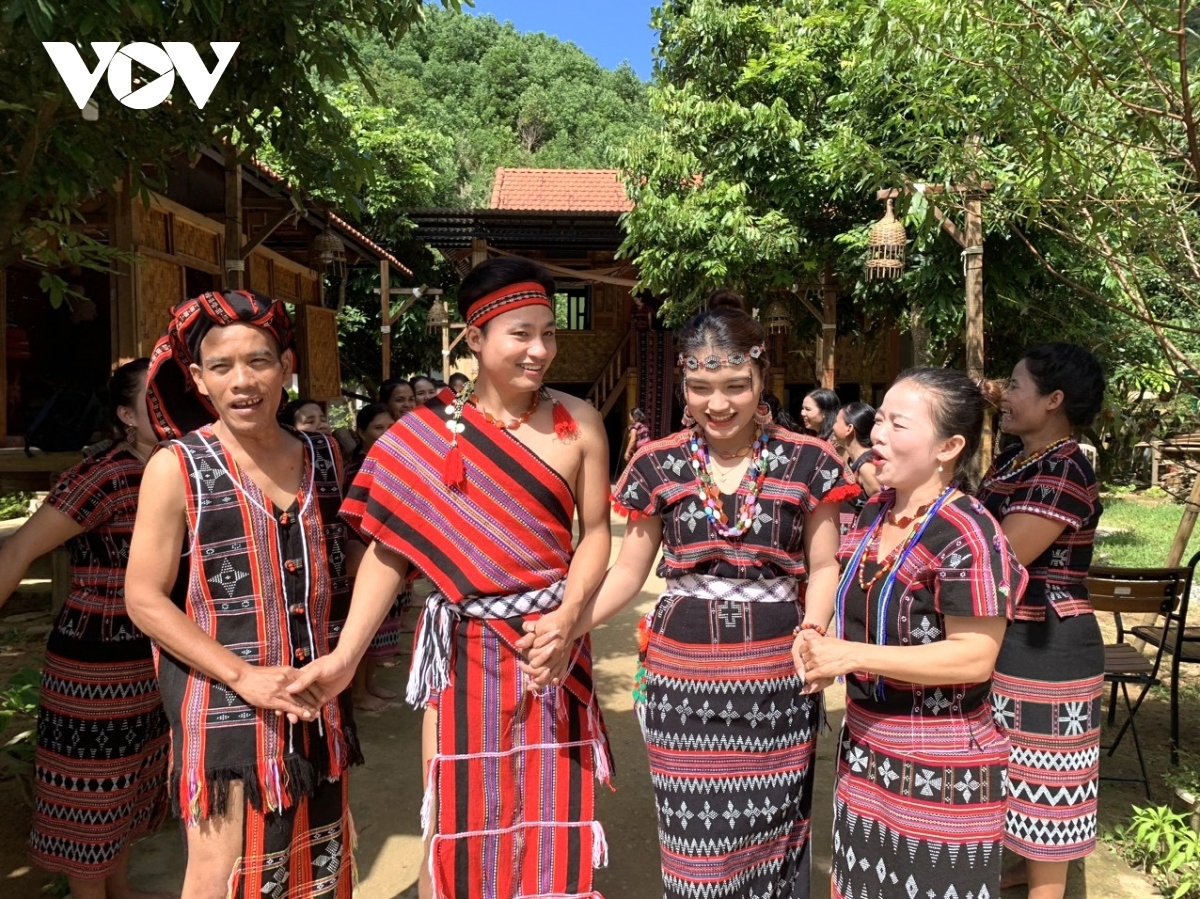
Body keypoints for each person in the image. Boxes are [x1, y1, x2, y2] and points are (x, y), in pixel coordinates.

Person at [288, 257, 613, 899]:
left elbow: (596, 533)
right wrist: (347, 657)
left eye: (548, 332)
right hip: (463, 648)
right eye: (521, 334)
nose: (540, 350)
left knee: (549, 804)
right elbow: (388, 552)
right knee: (463, 805)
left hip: (551, 643)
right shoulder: (424, 434)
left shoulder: (579, 420)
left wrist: (570, 619)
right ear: (475, 338)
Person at [527, 306, 854, 898]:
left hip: (778, 676)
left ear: (762, 379)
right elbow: (630, 570)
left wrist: (814, 628)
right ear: (682, 384)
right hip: (683, 684)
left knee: (774, 835)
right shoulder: (657, 463)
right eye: (701, 387)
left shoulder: (812, 461)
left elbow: (826, 564)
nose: (718, 403)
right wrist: (569, 624)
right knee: (693, 847)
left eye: (735, 386)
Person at [126, 290, 359, 899]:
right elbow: (144, 599)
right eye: (222, 367)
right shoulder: (177, 467)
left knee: (319, 855)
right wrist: (243, 676)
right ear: (198, 380)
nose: (243, 381)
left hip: (315, 693)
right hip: (220, 701)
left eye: (258, 361)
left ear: (286, 367)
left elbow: (359, 562)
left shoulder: (326, 457)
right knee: (222, 870)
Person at [795, 368, 1025, 899]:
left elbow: (974, 658)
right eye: (879, 419)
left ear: (949, 447)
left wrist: (849, 655)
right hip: (868, 750)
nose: (877, 433)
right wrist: (815, 635)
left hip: (941, 765)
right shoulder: (876, 511)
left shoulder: (970, 531)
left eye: (898, 424)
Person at [0, 358, 170, 899]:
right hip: (94, 668)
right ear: (125, 415)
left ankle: (117, 890)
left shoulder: (178, 470)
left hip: (152, 658)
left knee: (128, 786)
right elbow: (21, 548)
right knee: (91, 796)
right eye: (154, 397)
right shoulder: (104, 474)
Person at [977, 344, 1106, 899]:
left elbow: (1002, 555)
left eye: (1015, 384)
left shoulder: (1065, 468)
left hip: (1049, 647)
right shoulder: (1016, 459)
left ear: (1053, 400)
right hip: (1012, 636)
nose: (1004, 395)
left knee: (1047, 802)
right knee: (1011, 776)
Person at [343, 402, 405, 711]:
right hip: (365, 552)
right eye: (378, 428)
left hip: (386, 551)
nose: (386, 433)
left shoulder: (392, 461)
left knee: (376, 627)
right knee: (364, 626)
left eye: (391, 426)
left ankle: (367, 685)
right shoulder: (358, 467)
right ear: (361, 432)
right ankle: (357, 692)